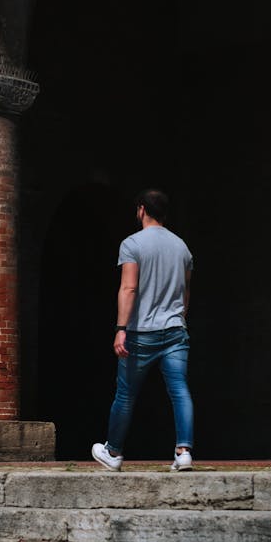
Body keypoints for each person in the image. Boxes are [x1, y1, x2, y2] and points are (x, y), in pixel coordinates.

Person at [92, 189, 194, 472]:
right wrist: (178, 317)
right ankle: (184, 451)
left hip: (140, 332)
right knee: (180, 391)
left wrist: (121, 328)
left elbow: (129, 287)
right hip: (175, 330)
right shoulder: (182, 247)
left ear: (141, 210)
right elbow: (185, 293)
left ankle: (113, 452)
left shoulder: (132, 244)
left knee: (125, 395)